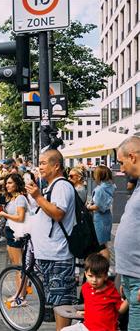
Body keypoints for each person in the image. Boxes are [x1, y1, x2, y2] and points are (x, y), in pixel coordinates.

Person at [25, 149, 77, 330]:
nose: (39, 166)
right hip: (50, 254)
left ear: (56, 166)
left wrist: (37, 196)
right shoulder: (52, 186)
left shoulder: (62, 186)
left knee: (62, 302)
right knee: (56, 300)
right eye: (39, 163)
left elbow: (58, 213)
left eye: (43, 163)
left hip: (58, 255)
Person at [61, 253, 128, 331]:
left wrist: (129, 299)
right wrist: (87, 313)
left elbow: (120, 309)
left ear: (105, 276)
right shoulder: (85, 288)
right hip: (88, 325)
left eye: (99, 277)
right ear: (85, 274)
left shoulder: (110, 290)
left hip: (105, 328)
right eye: (90, 276)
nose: (94, 280)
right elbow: (93, 304)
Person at [114, 136, 140, 330]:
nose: (121, 169)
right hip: (132, 275)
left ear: (133, 157)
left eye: (122, 163)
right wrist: (125, 276)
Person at [0, 173, 29, 307]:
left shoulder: (19, 198)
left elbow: (20, 217)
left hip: (15, 232)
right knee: (18, 265)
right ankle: (19, 294)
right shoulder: (15, 197)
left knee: (18, 265)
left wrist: (4, 214)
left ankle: (20, 296)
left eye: (10, 183)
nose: (7, 185)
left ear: (17, 184)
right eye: (6, 183)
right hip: (12, 231)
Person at [87, 165, 116, 260]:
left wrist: (88, 207)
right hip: (107, 217)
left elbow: (97, 206)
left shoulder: (99, 189)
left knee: (100, 246)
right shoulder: (111, 186)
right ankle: (104, 267)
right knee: (104, 244)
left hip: (99, 218)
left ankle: (103, 267)